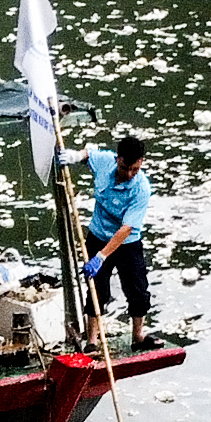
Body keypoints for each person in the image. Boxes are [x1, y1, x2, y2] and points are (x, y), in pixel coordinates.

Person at [60, 134, 159, 351]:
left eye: (135, 169)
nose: (129, 174)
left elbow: (126, 229)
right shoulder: (105, 162)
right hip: (98, 234)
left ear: (141, 163)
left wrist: (101, 256)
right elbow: (89, 155)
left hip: (127, 242)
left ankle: (138, 336)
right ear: (117, 159)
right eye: (125, 168)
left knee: (137, 290)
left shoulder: (141, 188)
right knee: (97, 288)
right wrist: (75, 156)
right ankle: (92, 341)